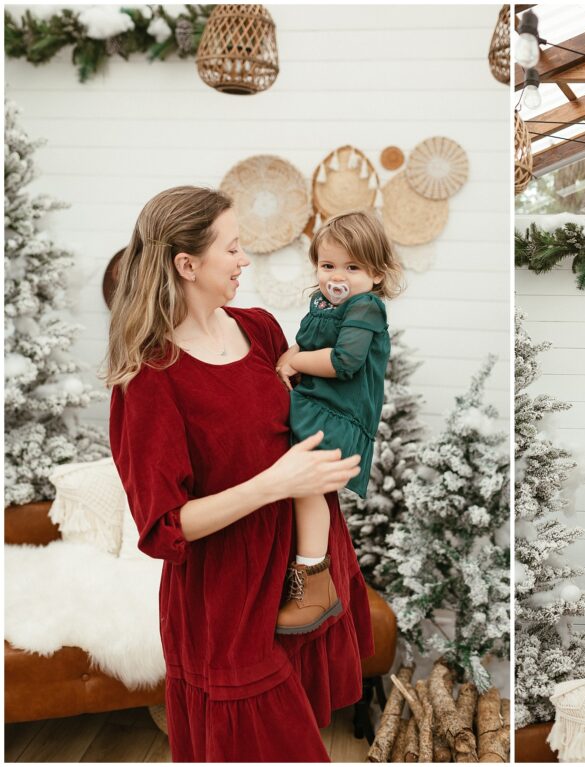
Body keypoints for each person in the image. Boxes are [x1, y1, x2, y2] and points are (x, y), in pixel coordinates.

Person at [106, 186, 374, 762]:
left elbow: (313, 413)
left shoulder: (260, 331)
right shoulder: (150, 377)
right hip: (225, 603)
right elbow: (166, 527)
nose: (244, 261)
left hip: (303, 581)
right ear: (187, 264)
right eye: (232, 248)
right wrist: (275, 483)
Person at [273, 211, 403, 634]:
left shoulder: (366, 307)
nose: (337, 277)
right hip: (317, 405)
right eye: (327, 266)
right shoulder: (325, 303)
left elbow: (343, 362)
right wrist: (288, 355)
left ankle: (314, 585)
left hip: (340, 416)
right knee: (292, 477)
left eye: (352, 268)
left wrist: (294, 360)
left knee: (308, 486)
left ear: (377, 273)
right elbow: (310, 342)